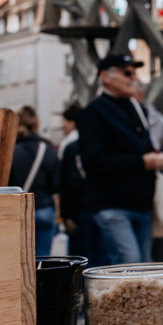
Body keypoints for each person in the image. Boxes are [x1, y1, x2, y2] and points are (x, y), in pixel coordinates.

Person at [76, 53, 163, 265]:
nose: (132, 78)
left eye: (134, 73)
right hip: (112, 204)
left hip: (142, 204)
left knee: (142, 266)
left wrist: (157, 157)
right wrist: (143, 162)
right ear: (106, 77)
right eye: (127, 72)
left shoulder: (137, 108)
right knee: (130, 263)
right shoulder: (94, 112)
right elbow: (94, 162)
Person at [7, 105, 61, 256]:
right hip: (44, 209)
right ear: (36, 125)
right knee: (42, 261)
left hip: (19, 210)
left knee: (20, 260)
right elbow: (56, 184)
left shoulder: (10, 151)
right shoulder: (48, 149)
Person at [58, 102, 95, 264]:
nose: (62, 126)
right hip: (100, 206)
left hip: (81, 209)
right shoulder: (95, 142)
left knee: (81, 260)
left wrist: (66, 214)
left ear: (72, 122)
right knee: (100, 256)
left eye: (64, 121)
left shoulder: (71, 146)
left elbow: (71, 182)